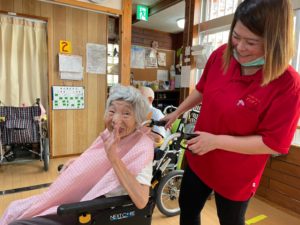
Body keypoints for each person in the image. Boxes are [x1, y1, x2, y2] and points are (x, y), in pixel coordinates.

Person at [163, 1, 300, 225]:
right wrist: (177, 112)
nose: (240, 47)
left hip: (237, 173)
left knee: (230, 220)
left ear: (276, 43)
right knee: (187, 209)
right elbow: (202, 89)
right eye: (236, 36)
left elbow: (273, 143)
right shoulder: (221, 55)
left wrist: (216, 141)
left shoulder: (288, 84)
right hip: (200, 157)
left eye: (251, 42)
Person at [1, 85, 154, 225]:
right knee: (15, 208)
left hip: (94, 211)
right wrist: (78, 162)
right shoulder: (109, 134)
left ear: (138, 120)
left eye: (126, 113)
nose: (115, 120)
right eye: (112, 111)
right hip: (79, 198)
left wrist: (114, 159)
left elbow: (141, 201)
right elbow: (97, 161)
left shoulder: (141, 147)